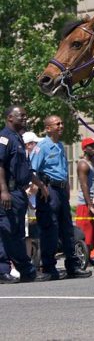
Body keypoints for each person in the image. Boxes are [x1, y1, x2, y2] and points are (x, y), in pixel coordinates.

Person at [30, 115, 92, 280]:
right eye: (57, 124)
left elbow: (63, 170)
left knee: (67, 229)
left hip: (61, 191)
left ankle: (73, 266)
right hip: (49, 190)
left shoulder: (59, 145)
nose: (61, 126)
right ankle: (49, 268)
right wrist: (41, 186)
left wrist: (67, 188)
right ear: (48, 128)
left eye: (62, 123)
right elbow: (31, 170)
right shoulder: (42, 147)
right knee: (50, 228)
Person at [0, 106, 46, 283]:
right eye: (22, 116)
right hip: (9, 192)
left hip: (18, 192)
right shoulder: (4, 138)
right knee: (7, 231)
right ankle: (5, 270)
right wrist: (4, 191)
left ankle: (25, 271)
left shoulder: (17, 138)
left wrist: (40, 184)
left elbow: (25, 169)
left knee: (17, 233)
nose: (25, 118)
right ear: (10, 118)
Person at [75, 137, 94, 264]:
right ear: (84, 149)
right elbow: (84, 185)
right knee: (85, 233)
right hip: (85, 203)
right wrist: (89, 204)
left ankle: (89, 257)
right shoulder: (83, 164)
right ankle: (82, 259)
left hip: (93, 201)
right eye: (91, 146)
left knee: (92, 233)